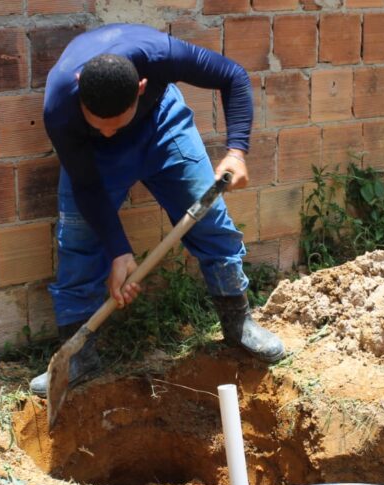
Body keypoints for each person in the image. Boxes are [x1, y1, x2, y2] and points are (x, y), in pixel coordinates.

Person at [30, 23, 285, 396]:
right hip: (94, 158)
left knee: (210, 220)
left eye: (115, 125)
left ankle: (238, 322)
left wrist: (237, 151)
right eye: (99, 125)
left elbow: (233, 75)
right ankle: (78, 354)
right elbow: (87, 186)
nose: (108, 132)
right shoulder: (60, 108)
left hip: (161, 127)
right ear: (80, 86)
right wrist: (119, 251)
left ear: (141, 87)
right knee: (79, 242)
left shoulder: (161, 55)